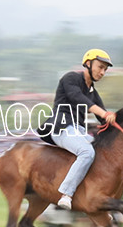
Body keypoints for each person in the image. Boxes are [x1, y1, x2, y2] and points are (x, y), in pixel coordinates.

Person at [37, 49, 116, 210]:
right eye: (100, 67)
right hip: (61, 127)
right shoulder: (71, 78)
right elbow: (77, 98)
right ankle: (66, 194)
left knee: (101, 153)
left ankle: (95, 196)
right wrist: (103, 113)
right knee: (87, 152)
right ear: (88, 63)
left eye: (105, 70)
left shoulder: (93, 92)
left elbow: (104, 119)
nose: (102, 72)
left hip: (78, 131)